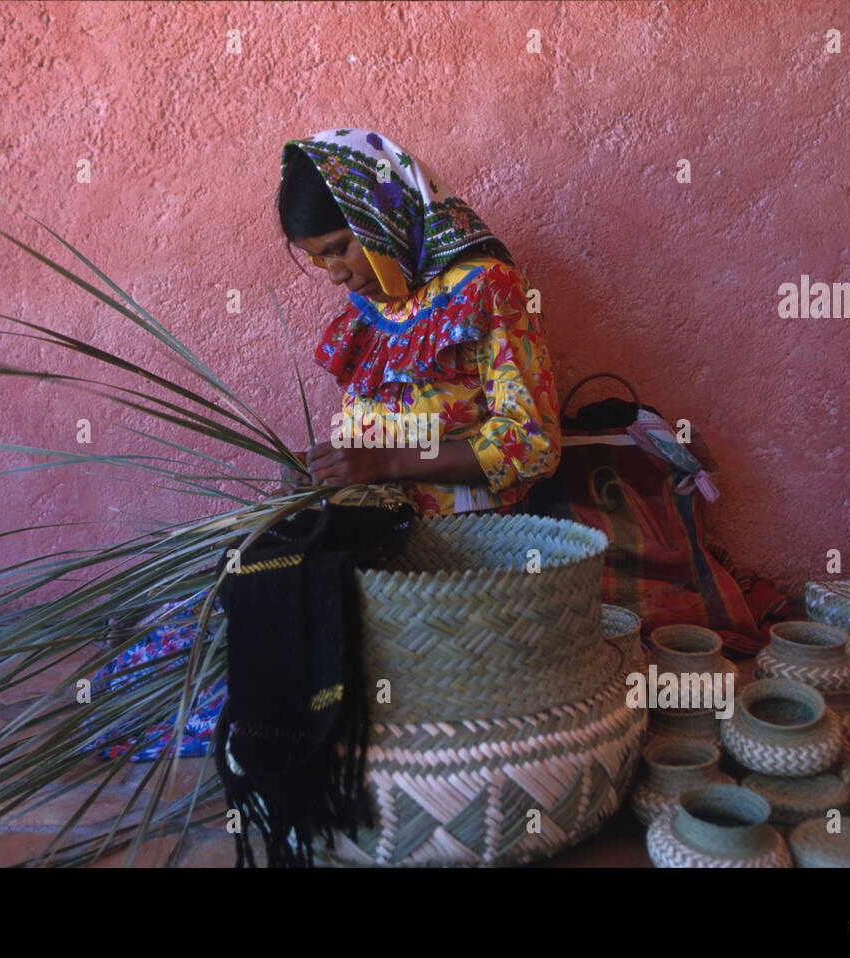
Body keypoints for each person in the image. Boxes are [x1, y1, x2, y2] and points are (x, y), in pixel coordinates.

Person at [88, 127, 561, 762]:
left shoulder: (488, 287)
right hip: (371, 516)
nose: (335, 272)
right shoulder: (378, 303)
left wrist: (383, 461)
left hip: (458, 535)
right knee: (242, 586)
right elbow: (378, 423)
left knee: (293, 632)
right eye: (318, 259)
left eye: (339, 249)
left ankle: (222, 712)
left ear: (382, 214)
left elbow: (531, 443)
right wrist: (328, 470)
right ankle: (166, 669)